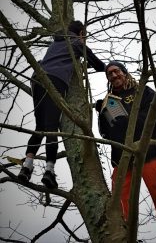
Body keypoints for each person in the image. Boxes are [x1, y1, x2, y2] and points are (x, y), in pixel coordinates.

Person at [96, 61, 156, 243]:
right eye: (109, 74)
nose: (113, 76)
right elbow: (105, 133)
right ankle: (126, 239)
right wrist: (103, 111)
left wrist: (128, 121)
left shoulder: (143, 91)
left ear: (124, 72)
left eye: (116, 71)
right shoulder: (109, 101)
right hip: (121, 159)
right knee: (119, 205)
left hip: (148, 153)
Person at [18, 20, 105, 189]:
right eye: (84, 35)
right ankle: (49, 171)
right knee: (51, 126)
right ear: (80, 33)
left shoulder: (56, 42)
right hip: (55, 80)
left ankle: (27, 166)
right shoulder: (75, 41)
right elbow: (97, 63)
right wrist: (106, 67)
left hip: (38, 79)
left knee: (40, 126)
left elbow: (65, 58)